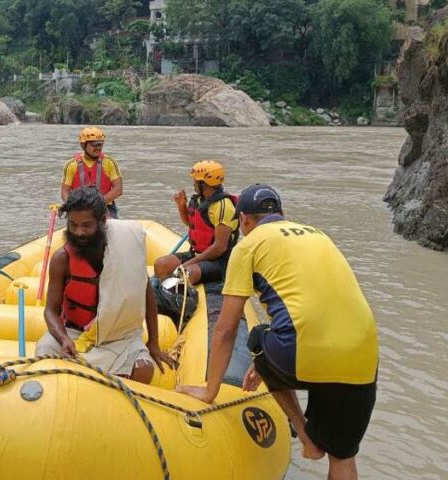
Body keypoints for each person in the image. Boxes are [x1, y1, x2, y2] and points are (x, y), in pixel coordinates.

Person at [178, 184, 379, 480]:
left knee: (259, 336)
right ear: (282, 214)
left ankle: (305, 436)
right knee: (343, 456)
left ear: (244, 220)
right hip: (363, 357)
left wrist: (211, 390)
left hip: (301, 353)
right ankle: (325, 448)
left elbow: (226, 328)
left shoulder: (248, 245)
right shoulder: (319, 235)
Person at [37, 187, 173, 383]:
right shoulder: (62, 259)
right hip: (75, 333)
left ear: (103, 221)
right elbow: (50, 311)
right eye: (73, 225)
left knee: (143, 370)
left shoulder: (126, 248)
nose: (79, 232)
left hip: (119, 335)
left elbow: (146, 293)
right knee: (43, 358)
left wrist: (153, 342)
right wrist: (64, 339)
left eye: (86, 225)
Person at [151, 160, 238, 323]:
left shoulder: (223, 207)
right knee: (161, 264)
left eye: (195, 181)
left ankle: (183, 314)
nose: (193, 184)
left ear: (204, 183)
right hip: (197, 253)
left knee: (187, 273)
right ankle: (164, 303)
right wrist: (181, 206)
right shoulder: (199, 200)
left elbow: (220, 247)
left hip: (220, 261)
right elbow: (191, 224)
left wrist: (190, 262)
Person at [60, 126, 123, 218]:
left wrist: (97, 204)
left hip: (105, 206)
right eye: (94, 145)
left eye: (100, 144)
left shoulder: (109, 162)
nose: (98, 148)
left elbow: (118, 189)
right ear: (83, 145)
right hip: (79, 207)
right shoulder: (71, 165)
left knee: (109, 225)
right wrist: (70, 205)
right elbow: (64, 191)